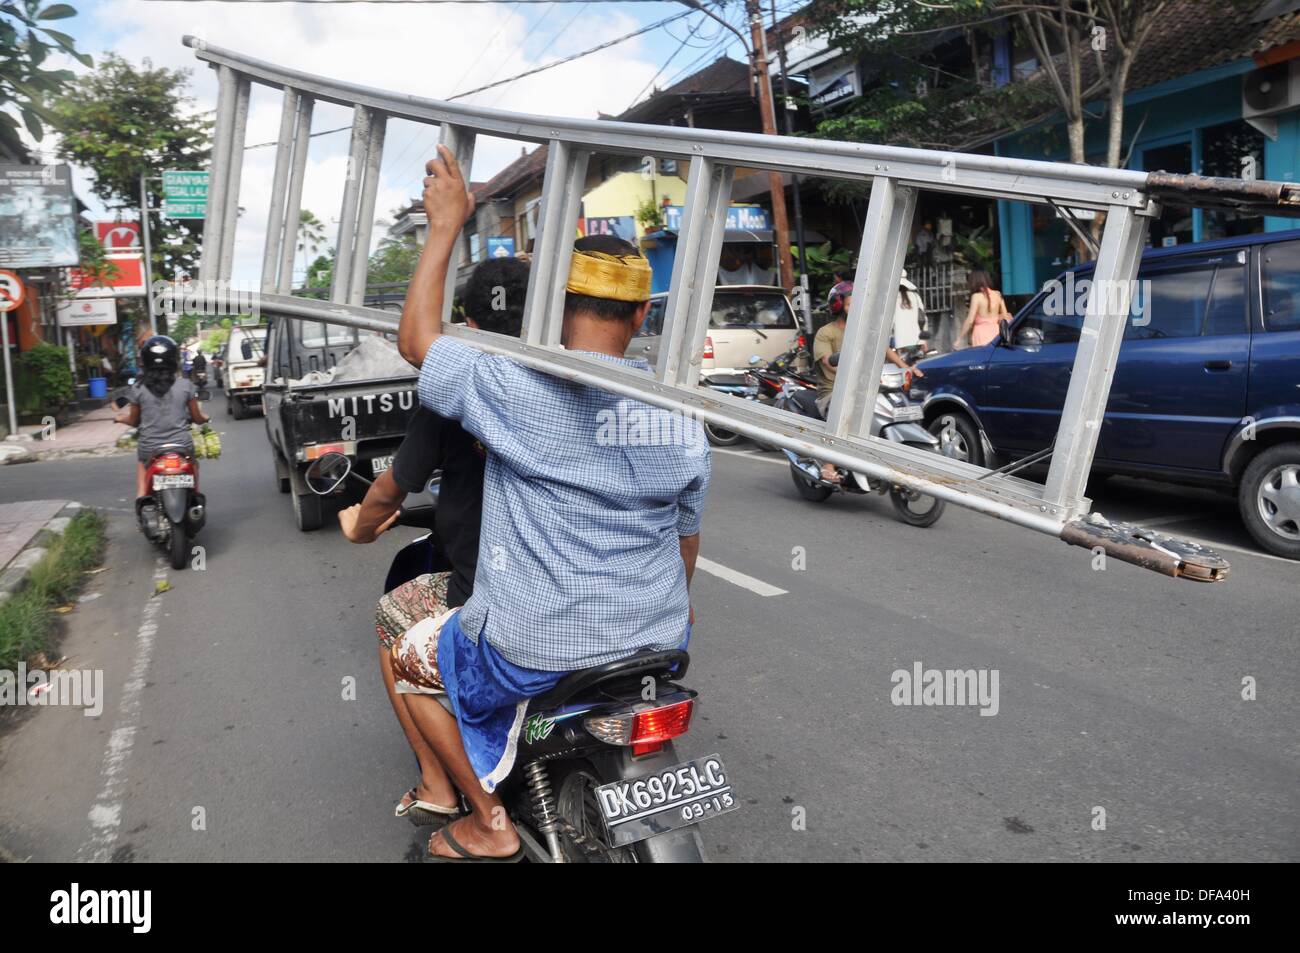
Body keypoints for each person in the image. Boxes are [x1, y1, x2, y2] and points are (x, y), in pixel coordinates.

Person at [382, 145, 709, 862]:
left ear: (555, 308)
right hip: (657, 644)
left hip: (533, 648)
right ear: (641, 312)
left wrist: (446, 225)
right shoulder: (679, 412)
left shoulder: (510, 383)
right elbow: (685, 540)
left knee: (409, 656)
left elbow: (416, 341)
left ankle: (487, 821)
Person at [334, 256, 529, 827]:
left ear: (468, 322)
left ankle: (439, 783)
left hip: (494, 598)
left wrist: (361, 526)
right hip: (584, 589)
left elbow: (391, 488)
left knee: (392, 619)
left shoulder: (456, 386)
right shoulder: (579, 381)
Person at [114, 335, 209, 510]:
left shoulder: (138, 388)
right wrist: (206, 418)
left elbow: (134, 421)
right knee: (193, 462)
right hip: (182, 445)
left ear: (145, 362)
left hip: (150, 447)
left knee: (142, 464)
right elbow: (197, 418)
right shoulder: (186, 385)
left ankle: (142, 499)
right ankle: (194, 494)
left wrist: (120, 418)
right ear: (174, 360)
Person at [958, 269, 1010, 347]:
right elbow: (1005, 317)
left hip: (981, 334)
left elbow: (970, 321)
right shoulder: (997, 294)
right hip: (997, 334)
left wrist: (959, 339)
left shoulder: (976, 297)